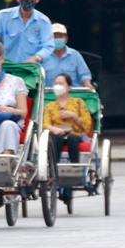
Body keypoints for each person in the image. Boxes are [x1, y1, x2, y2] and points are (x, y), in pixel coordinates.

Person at [43, 73, 93, 203]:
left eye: (61, 83)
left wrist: (74, 116)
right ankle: (54, 172)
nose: (57, 86)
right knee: (57, 139)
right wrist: (55, 129)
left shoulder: (78, 102)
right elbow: (45, 124)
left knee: (71, 139)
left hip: (75, 134)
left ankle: (75, 172)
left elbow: (86, 125)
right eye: (56, 83)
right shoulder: (50, 106)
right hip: (56, 134)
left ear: (69, 87)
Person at [41, 23, 95, 89]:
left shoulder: (75, 55)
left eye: (60, 36)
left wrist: (87, 85)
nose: (57, 39)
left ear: (66, 39)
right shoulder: (43, 56)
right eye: (54, 36)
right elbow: (38, 76)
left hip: (73, 95)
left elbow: (84, 74)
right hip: (50, 96)